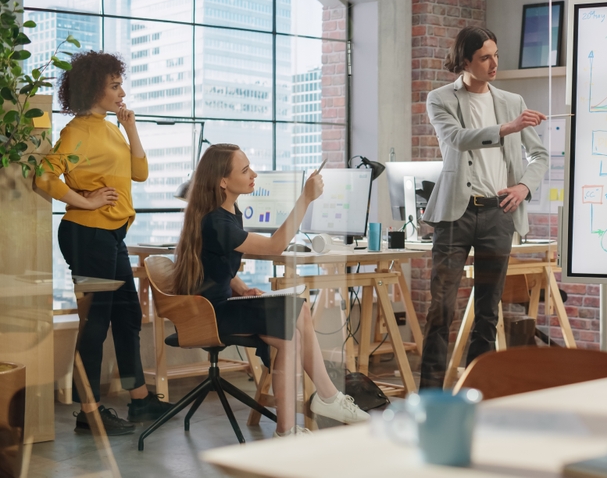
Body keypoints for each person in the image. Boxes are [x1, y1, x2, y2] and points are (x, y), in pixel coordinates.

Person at [171, 144, 369, 436]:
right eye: (244, 170)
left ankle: (288, 430)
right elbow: (275, 248)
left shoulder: (225, 213)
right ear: (222, 181)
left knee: (289, 337)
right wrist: (305, 198)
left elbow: (212, 262)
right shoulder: (216, 220)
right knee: (297, 308)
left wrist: (238, 285)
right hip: (209, 315)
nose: (254, 174)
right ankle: (328, 397)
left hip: (218, 305)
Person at [37, 51, 172, 435]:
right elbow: (45, 178)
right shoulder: (76, 131)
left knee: (128, 316)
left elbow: (140, 172)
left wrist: (130, 127)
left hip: (110, 234)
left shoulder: (110, 127)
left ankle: (141, 400)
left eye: (119, 84)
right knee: (96, 322)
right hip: (86, 235)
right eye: (114, 85)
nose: (121, 91)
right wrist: (86, 200)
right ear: (94, 88)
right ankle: (89, 412)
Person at [419, 26, 550, 389]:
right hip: (454, 217)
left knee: (488, 313)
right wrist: (507, 128)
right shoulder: (440, 98)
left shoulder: (512, 101)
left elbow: (539, 155)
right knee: (440, 310)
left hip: (498, 215)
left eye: (495, 54)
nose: (494, 64)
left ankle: (477, 394)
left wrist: (524, 186)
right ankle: (430, 398)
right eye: (485, 58)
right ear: (465, 61)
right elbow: (456, 139)